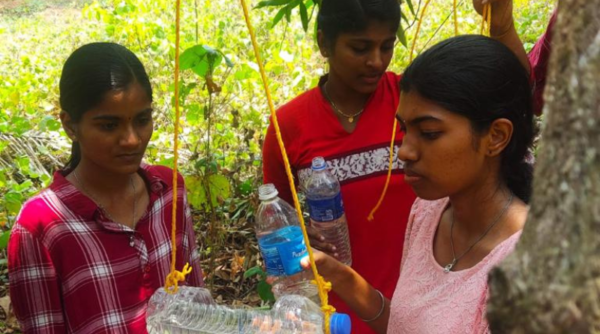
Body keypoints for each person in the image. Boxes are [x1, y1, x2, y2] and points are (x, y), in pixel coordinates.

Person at [261, 0, 528, 332]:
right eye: (360, 48)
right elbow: (405, 322)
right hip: (351, 311)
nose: (405, 152)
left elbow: (509, 96)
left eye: (428, 134)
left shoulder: (528, 265)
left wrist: (502, 28)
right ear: (324, 43)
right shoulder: (428, 216)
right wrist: (333, 271)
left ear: (497, 137)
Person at [8, 43, 204, 333]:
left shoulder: (168, 190)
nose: (132, 140)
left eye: (142, 120)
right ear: (70, 125)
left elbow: (197, 301)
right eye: (109, 126)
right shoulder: (40, 228)